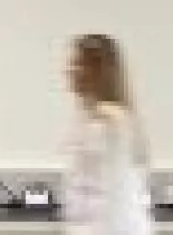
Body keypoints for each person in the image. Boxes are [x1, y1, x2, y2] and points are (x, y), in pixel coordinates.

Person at [63, 34, 152, 235]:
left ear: (98, 70)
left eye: (77, 64)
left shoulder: (111, 121)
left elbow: (119, 197)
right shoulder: (88, 118)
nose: (69, 71)